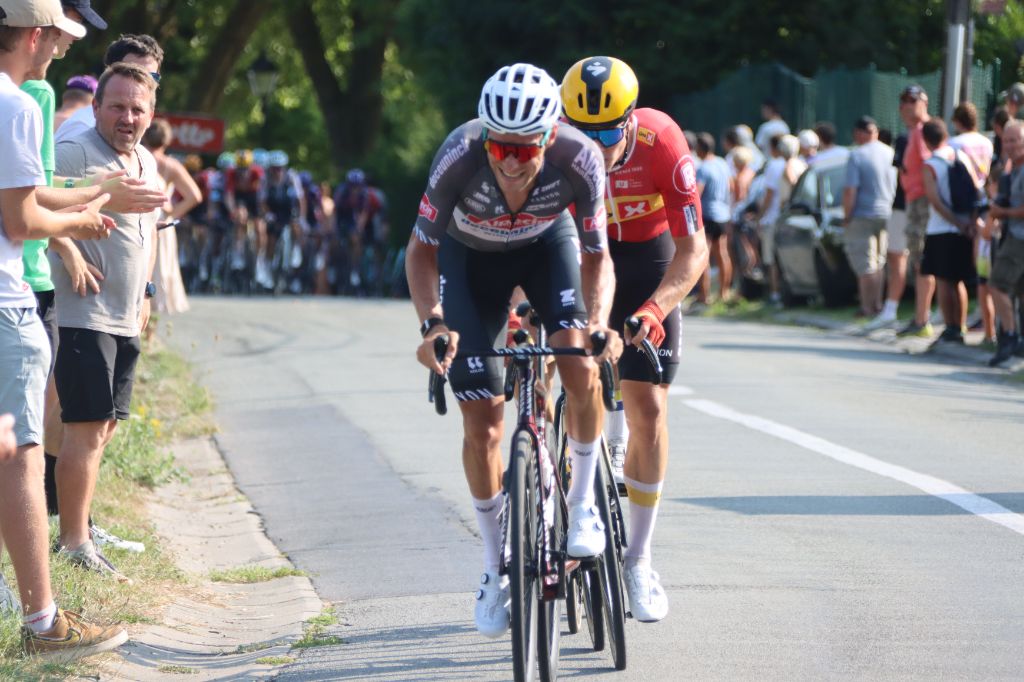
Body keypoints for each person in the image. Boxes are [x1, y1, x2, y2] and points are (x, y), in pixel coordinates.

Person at [406, 63, 621, 638]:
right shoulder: (460, 154)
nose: (510, 162)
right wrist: (432, 326)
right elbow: (421, 252)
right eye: (500, 147)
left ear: (550, 137)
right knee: (483, 425)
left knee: (579, 365)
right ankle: (492, 565)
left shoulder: (580, 157)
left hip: (547, 250)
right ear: (486, 138)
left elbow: (597, 255)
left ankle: (582, 504)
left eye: (525, 150)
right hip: (468, 263)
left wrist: (598, 322)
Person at [0, 0, 129, 659]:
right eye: (55, 34)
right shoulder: (17, 105)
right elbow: (21, 220)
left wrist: (90, 196)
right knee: (21, 457)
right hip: (6, 304)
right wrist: (80, 222)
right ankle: (43, 624)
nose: (60, 46)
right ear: (33, 34)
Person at [561, 56, 708, 623]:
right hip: (584, 253)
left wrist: (655, 308)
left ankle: (639, 560)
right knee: (560, 369)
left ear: (629, 122)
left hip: (648, 258)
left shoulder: (661, 140)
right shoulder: (557, 147)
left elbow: (694, 249)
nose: (595, 148)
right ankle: (554, 499)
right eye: (584, 134)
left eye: (607, 134)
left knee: (649, 408)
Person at [50, 62, 161, 581]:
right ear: (96, 107)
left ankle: (77, 528)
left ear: (151, 114)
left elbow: (150, 230)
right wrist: (69, 251)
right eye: (116, 106)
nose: (127, 117)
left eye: (137, 108)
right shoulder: (76, 152)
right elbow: (34, 200)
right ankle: (74, 541)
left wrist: (147, 292)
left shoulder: (145, 160)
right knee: (86, 425)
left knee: (105, 425)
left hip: (124, 314)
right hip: (84, 310)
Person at [919, 118, 977, 344]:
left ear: (926, 140)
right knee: (959, 280)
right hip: (964, 228)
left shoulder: (930, 164)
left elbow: (935, 202)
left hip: (940, 229)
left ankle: (950, 327)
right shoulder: (961, 157)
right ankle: (960, 326)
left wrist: (955, 222)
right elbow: (975, 190)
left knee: (943, 280)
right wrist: (968, 222)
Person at [55, 32, 162, 144]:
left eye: (152, 77)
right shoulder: (82, 127)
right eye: (133, 74)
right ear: (109, 74)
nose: (143, 83)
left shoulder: (136, 134)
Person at [142, 118, 200, 314]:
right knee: (159, 272)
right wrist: (172, 214)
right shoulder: (171, 165)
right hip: (162, 222)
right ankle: (152, 322)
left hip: (140, 219)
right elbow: (194, 196)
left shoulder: (137, 157)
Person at [949, 102, 995, 344]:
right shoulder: (987, 142)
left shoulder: (954, 144)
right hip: (986, 201)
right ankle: (983, 316)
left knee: (975, 265)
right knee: (984, 261)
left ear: (957, 121)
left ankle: (980, 317)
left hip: (967, 205)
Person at [842, 115, 895, 318]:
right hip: (887, 212)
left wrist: (847, 216)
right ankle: (878, 304)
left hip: (862, 214)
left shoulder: (857, 155)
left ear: (859, 133)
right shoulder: (890, 152)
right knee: (879, 262)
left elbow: (850, 190)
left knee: (865, 263)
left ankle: (867, 307)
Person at [895, 85, 936, 338]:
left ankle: (923, 319)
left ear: (924, 102)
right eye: (903, 101)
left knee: (923, 260)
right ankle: (920, 317)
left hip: (922, 202)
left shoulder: (923, 131)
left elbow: (930, 165)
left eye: (912, 100)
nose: (906, 106)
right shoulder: (914, 132)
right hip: (915, 201)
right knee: (918, 260)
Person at [987, 120, 1024, 366]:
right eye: (1006, 140)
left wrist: (1002, 212)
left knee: (997, 285)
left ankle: (1009, 336)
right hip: (1014, 234)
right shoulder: (1013, 170)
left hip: (1019, 239)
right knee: (1020, 290)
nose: (1009, 145)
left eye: (1014, 140)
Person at [757, 134, 806, 306]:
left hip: (781, 216)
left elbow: (778, 191)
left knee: (773, 258)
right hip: (795, 216)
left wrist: (760, 216)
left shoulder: (787, 165)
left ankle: (776, 294)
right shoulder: (802, 164)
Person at [695, 131, 733, 302]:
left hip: (708, 215)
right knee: (722, 253)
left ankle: (704, 295)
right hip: (723, 214)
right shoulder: (722, 163)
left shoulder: (703, 168)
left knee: (704, 255)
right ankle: (724, 292)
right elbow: (732, 186)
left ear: (700, 148)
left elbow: (697, 192)